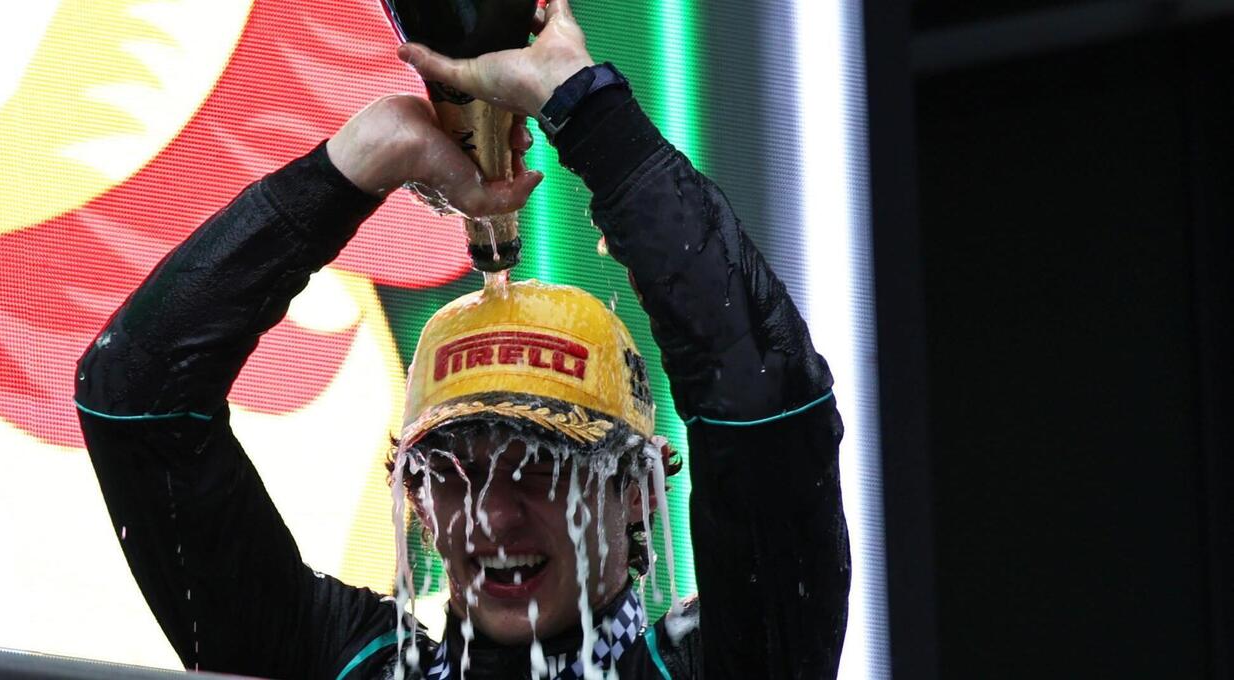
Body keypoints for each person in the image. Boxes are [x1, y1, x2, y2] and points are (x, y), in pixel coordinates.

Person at [75, 1, 850, 677]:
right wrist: (357, 162)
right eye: (454, 472)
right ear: (414, 497)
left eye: (543, 470)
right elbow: (134, 401)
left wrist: (591, 113)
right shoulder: (340, 664)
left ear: (639, 490)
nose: (494, 516)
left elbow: (767, 402)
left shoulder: (730, 663)